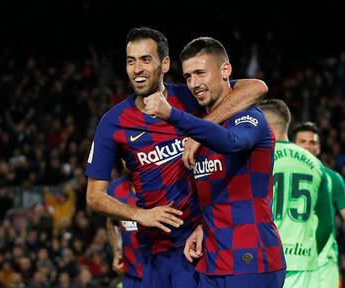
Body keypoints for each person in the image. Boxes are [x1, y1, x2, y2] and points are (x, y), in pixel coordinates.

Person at [85, 27, 267, 288]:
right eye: (130, 61)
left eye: (146, 59)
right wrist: (140, 215)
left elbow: (256, 88)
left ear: (165, 63)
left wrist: (199, 130)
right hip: (151, 250)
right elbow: (94, 197)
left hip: (195, 246)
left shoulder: (189, 96)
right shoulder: (113, 122)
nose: (137, 69)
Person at [144, 37, 285, 288]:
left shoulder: (249, 118)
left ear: (225, 71)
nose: (194, 84)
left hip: (251, 260)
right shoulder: (202, 124)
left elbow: (232, 142)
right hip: (212, 260)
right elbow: (218, 194)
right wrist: (201, 227)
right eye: (188, 77)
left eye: (200, 73)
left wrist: (172, 115)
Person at [258, 99, 334, 288]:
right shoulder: (316, 164)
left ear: (265, 124)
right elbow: (327, 223)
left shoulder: (258, 158)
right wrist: (309, 252)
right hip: (304, 264)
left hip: (267, 259)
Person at [292, 121, 345, 288]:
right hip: (290, 259)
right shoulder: (278, 171)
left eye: (312, 142)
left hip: (323, 262)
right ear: (293, 145)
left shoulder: (333, 178)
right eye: (302, 141)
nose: (308, 146)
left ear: (319, 148)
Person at [106, 176, 142, 288]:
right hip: (131, 273)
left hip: (158, 269)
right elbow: (111, 222)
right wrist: (117, 252)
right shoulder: (114, 188)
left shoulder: (154, 182)